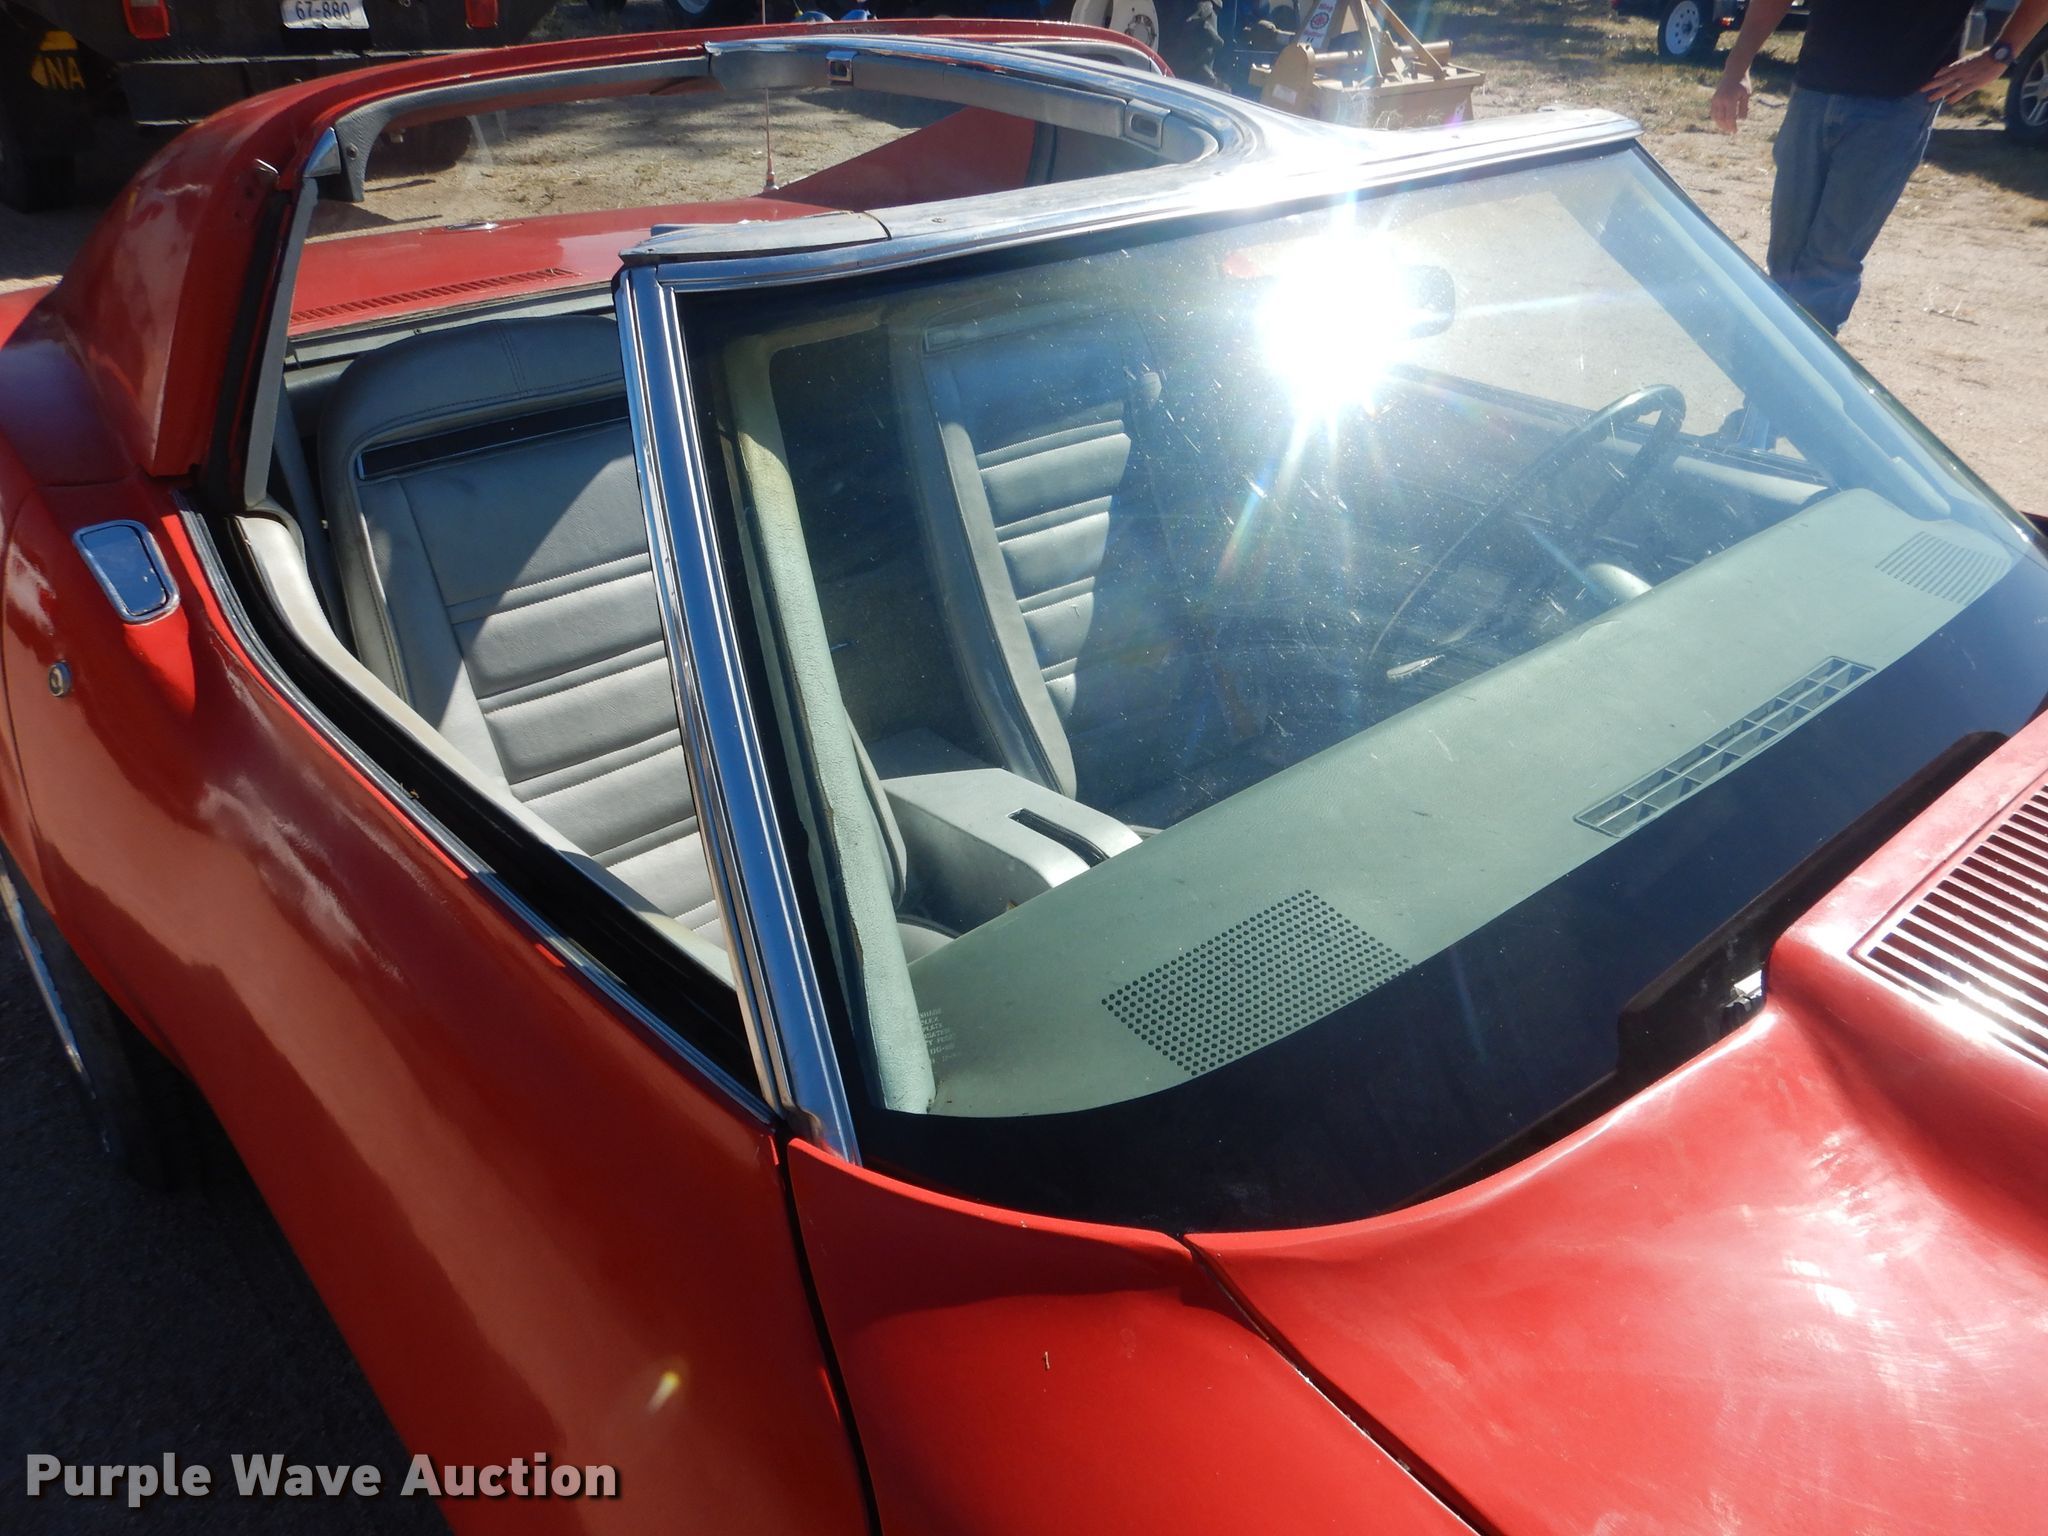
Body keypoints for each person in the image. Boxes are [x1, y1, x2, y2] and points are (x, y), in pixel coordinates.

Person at [1710, 0, 2048, 333]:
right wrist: (1737, 67)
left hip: (1896, 104)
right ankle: (1770, 354)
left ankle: (1795, 361)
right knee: (1786, 253)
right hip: (1813, 90)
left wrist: (2000, 55)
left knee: (1829, 262)